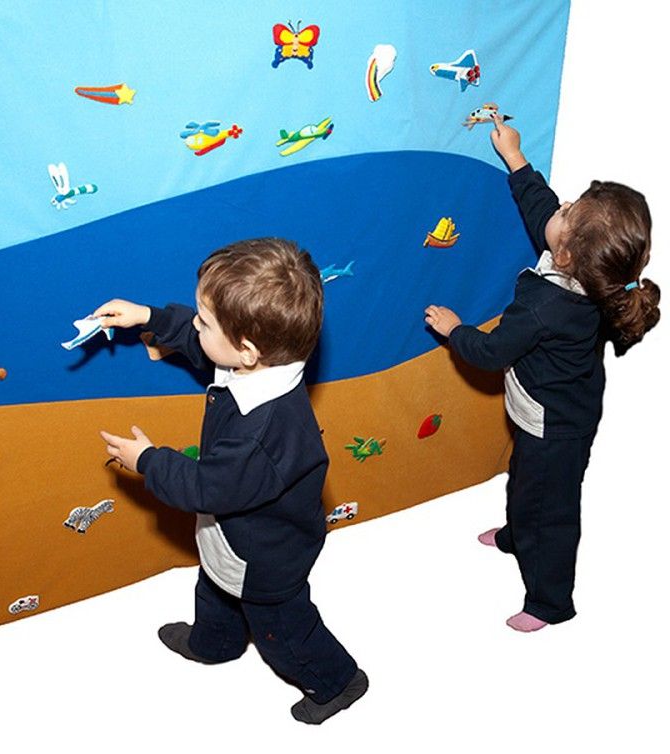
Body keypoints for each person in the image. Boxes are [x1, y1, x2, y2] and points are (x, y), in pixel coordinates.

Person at [95, 238, 368, 722]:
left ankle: (336, 682)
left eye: (204, 321)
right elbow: (204, 349)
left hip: (266, 561)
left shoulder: (262, 436)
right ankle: (215, 643)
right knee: (214, 590)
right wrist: (150, 317)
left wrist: (148, 460)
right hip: (230, 539)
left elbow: (204, 487)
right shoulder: (260, 363)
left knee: (283, 633)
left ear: (247, 349)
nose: (195, 326)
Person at [424, 115, 660, 632]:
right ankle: (517, 534)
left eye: (568, 211)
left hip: (555, 427)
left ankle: (550, 602)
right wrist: (515, 158)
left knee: (553, 510)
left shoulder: (544, 306)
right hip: (557, 413)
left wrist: (455, 329)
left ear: (566, 253)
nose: (562, 205)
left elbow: (490, 353)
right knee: (525, 480)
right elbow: (542, 212)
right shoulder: (595, 273)